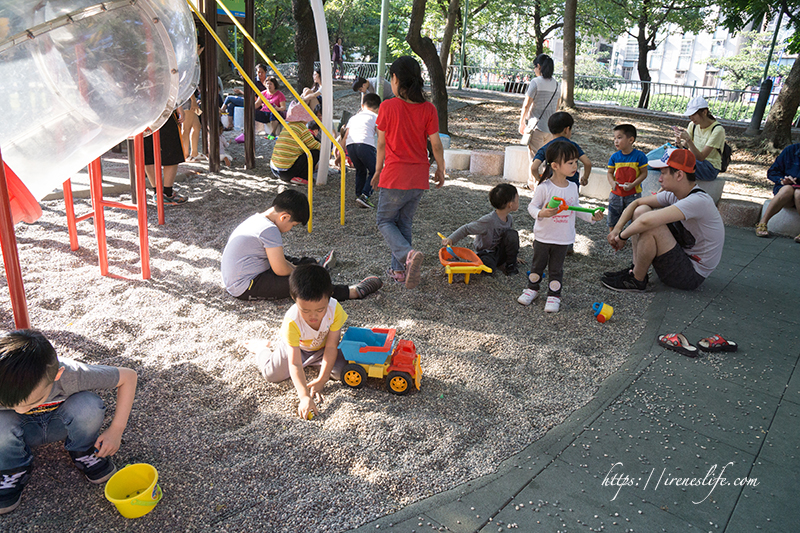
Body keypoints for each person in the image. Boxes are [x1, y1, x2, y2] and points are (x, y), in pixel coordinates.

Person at [0, 330, 138, 515]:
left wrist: (116, 430)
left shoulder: (72, 374)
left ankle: (83, 449)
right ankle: (12, 467)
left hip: (60, 422)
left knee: (88, 405)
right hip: (20, 432)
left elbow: (128, 377)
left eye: (32, 401)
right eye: (10, 404)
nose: (21, 409)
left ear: (58, 375)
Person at [220, 189, 382, 302]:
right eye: (294, 225)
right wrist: (300, 273)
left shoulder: (257, 219)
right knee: (304, 284)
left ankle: (316, 266)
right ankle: (351, 292)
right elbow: (280, 270)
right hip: (245, 286)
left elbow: (281, 262)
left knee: (291, 260)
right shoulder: (269, 230)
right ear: (284, 217)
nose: (290, 229)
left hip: (251, 271)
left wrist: (297, 267)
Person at [602, 148, 725, 292]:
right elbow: (636, 203)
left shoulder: (698, 201)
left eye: (664, 173)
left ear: (679, 175)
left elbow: (647, 222)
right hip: (680, 257)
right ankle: (635, 270)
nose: (660, 178)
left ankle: (637, 280)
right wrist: (617, 229)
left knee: (652, 225)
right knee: (641, 210)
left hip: (691, 274)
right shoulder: (674, 194)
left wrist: (622, 236)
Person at [371, 56, 446, 289]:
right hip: (418, 177)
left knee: (384, 220)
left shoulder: (387, 106)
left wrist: (376, 170)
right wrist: (441, 168)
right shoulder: (428, 109)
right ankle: (399, 271)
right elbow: (436, 144)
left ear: (395, 79)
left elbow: (381, 144)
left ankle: (407, 256)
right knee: (404, 223)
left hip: (395, 175)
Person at [247, 264, 348, 420]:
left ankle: (315, 365)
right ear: (294, 299)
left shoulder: (335, 309)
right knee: (272, 374)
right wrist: (304, 397)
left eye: (320, 310)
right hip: (298, 349)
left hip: (322, 348)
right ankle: (261, 349)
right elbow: (294, 363)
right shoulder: (292, 321)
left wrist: (322, 379)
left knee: (343, 371)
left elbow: (331, 346)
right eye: (305, 310)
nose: (313, 316)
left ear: (329, 298)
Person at [518, 141, 603, 312]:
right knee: (537, 266)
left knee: (556, 269)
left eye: (576, 162)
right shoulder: (544, 187)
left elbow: (575, 209)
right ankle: (532, 289)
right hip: (543, 236)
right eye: (570, 163)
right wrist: (541, 213)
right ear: (555, 166)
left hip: (563, 238)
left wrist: (592, 216)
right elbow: (531, 207)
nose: (575, 166)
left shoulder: (572, 187)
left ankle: (554, 295)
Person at [442, 183, 521, 275]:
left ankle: (510, 266)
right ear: (510, 205)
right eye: (517, 200)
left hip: (500, 253)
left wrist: (513, 255)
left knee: (512, 234)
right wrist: (451, 239)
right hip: (486, 253)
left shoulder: (509, 218)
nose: (519, 202)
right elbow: (466, 229)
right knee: (487, 268)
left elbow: (511, 241)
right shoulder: (488, 221)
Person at [518, 54, 560, 182]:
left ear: (539, 66)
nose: (534, 70)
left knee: (535, 158)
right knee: (547, 158)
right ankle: (545, 182)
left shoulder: (535, 82)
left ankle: (535, 185)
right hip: (551, 128)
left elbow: (526, 105)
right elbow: (557, 107)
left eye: (534, 67)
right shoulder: (557, 84)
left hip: (536, 126)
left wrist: (522, 122)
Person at [527, 111, 592, 190]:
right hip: (571, 184)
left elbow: (534, 167)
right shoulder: (573, 146)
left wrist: (539, 179)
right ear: (567, 130)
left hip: (552, 183)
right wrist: (585, 178)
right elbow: (587, 163)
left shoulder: (546, 148)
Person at [672, 96, 725, 181]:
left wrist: (688, 140)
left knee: (677, 164)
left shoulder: (717, 130)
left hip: (710, 168)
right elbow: (683, 149)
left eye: (693, 114)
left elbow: (701, 157)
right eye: (689, 115)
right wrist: (677, 140)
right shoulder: (692, 125)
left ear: (704, 112)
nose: (691, 118)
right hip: (695, 162)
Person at [606, 124, 649, 228]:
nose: (616, 141)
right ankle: (613, 238)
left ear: (631, 140)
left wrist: (633, 184)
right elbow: (610, 173)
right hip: (616, 193)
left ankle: (625, 238)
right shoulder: (615, 157)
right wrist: (612, 182)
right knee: (612, 218)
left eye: (619, 138)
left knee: (632, 219)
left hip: (633, 194)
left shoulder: (640, 156)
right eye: (614, 138)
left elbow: (644, 173)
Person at [342, 92, 381, 208]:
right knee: (375, 171)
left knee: (360, 170)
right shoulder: (376, 117)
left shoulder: (354, 118)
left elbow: (345, 136)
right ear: (379, 108)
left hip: (351, 145)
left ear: (362, 106)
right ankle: (365, 195)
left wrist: (340, 153)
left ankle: (359, 194)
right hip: (365, 145)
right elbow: (380, 136)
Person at [756, 143, 800, 242]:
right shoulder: (790, 150)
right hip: (787, 191)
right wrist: (782, 180)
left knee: (798, 193)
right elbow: (772, 172)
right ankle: (763, 223)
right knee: (786, 189)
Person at [144, 108, 188, 205]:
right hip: (164, 110)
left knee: (148, 152)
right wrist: (178, 107)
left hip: (142, 111)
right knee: (171, 150)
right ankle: (167, 193)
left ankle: (157, 192)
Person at [269, 112, 321, 185]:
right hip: (287, 172)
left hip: (275, 169)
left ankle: (296, 175)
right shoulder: (301, 128)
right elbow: (313, 145)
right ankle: (302, 177)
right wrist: (326, 148)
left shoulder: (287, 126)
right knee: (315, 153)